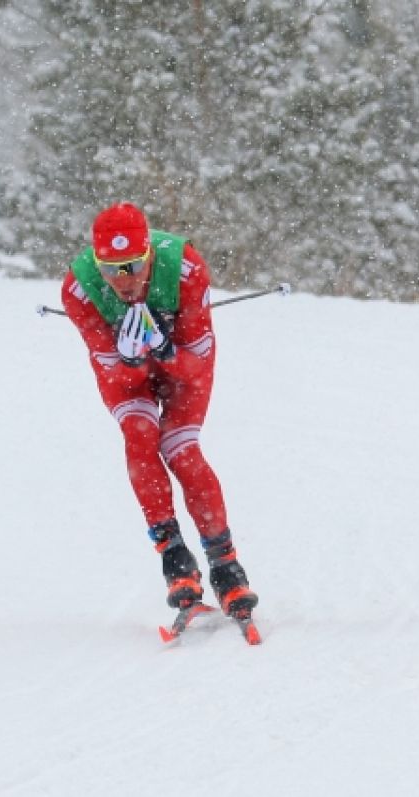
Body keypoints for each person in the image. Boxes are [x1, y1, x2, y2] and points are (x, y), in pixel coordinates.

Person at [60, 202, 258, 620]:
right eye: (111, 269)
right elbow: (113, 378)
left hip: (183, 371)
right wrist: (132, 362)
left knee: (181, 449)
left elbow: (198, 363)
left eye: (132, 266)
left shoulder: (184, 269)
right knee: (139, 432)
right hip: (129, 377)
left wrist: (165, 350)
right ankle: (174, 558)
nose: (124, 281)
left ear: (149, 254)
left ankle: (226, 566)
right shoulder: (80, 289)